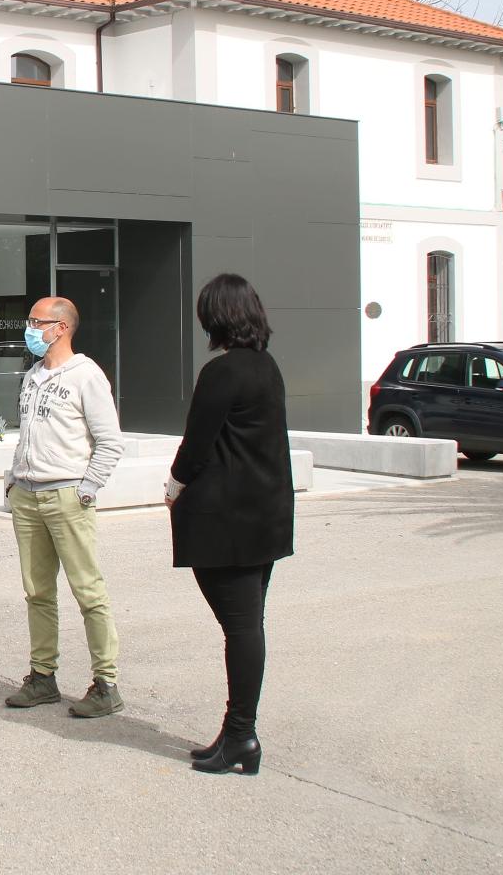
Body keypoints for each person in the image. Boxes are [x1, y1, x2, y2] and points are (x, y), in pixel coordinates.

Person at [166, 274, 295, 776]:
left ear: (215, 317)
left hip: (228, 522)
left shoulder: (221, 373)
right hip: (264, 517)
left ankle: (242, 734)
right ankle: (236, 731)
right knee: (246, 625)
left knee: (241, 628)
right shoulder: (267, 367)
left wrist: (173, 487)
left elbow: (196, 445)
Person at [2, 296, 127, 719]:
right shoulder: (35, 374)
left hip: (66, 496)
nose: (30, 329)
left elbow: (110, 440)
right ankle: (42, 677)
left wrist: (87, 488)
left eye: (37, 322)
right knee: (37, 591)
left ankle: (106, 683)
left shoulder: (86, 375)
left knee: (88, 591)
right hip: (28, 495)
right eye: (30, 322)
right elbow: (28, 434)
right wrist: (13, 479)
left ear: (62, 328)